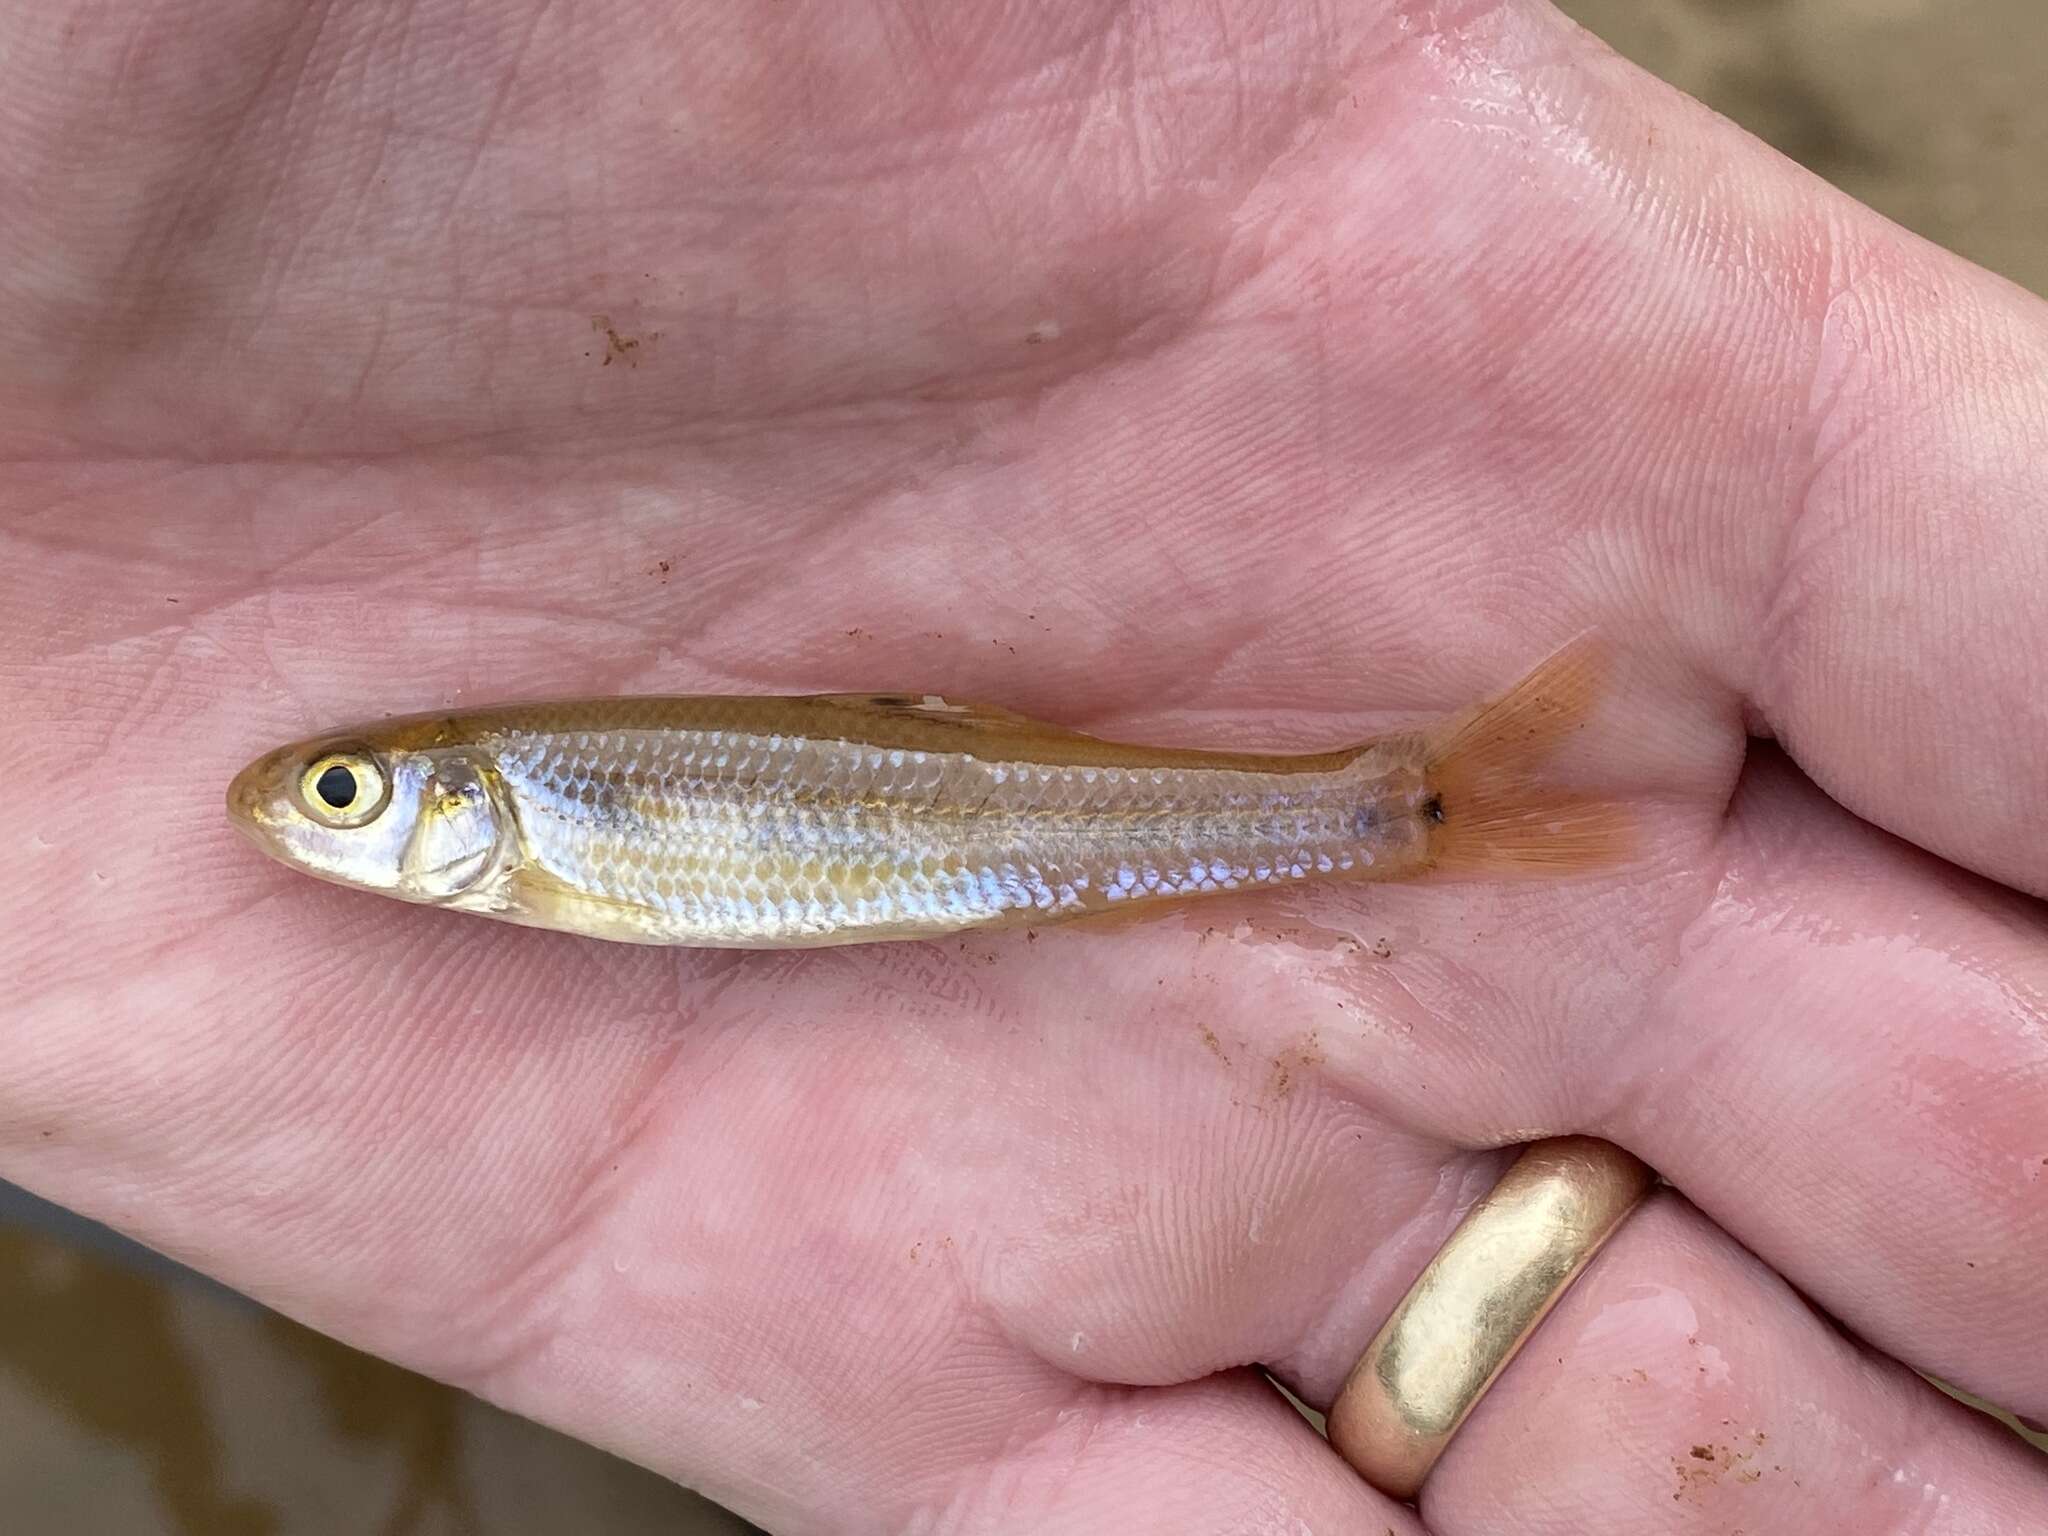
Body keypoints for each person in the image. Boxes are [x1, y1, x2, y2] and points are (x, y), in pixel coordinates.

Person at [2, 1, 2044, 1529]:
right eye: (346, 799)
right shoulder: (492, 836)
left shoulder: (541, 826)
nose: (317, 816)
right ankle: (1398, 812)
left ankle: (1403, 809)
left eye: (349, 793)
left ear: (459, 796)